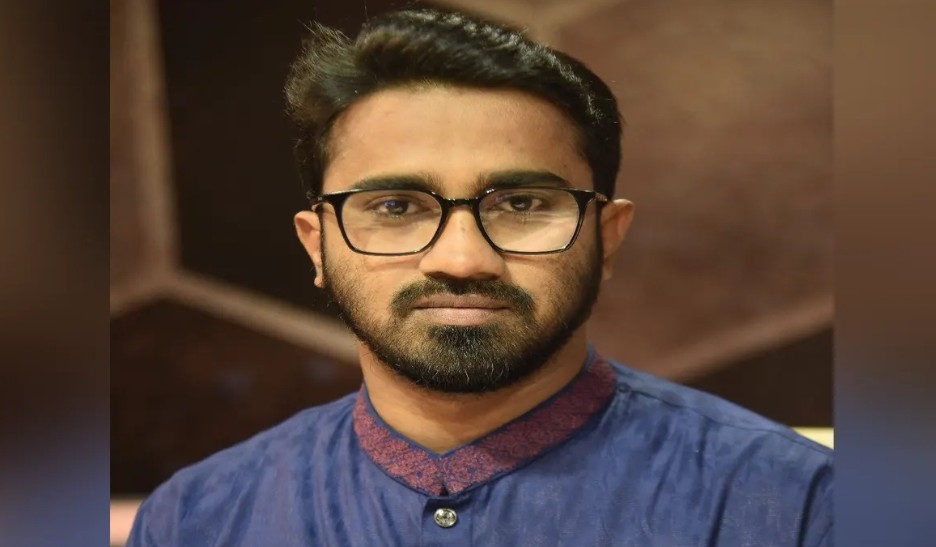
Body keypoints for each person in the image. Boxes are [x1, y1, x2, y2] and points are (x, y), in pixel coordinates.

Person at [128, 8, 832, 546]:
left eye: (521, 204)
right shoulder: (198, 519)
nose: (462, 259)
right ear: (317, 245)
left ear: (607, 236)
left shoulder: (797, 504)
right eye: (396, 206)